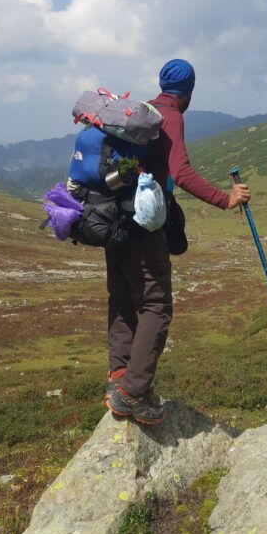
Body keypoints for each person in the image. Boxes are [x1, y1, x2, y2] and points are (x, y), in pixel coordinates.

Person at [104, 58, 250, 425]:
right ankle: (133, 394)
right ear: (189, 91)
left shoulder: (142, 110)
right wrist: (226, 198)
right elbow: (181, 172)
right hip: (144, 223)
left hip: (113, 218)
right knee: (156, 306)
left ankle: (119, 377)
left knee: (122, 296)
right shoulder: (171, 115)